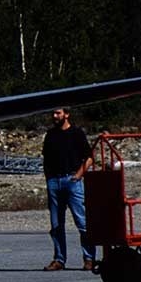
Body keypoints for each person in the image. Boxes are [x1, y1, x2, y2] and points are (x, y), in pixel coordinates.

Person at [42, 106, 94, 271]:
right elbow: (46, 158)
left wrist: (78, 175)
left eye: (58, 112)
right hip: (54, 181)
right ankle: (59, 259)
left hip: (72, 180)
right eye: (53, 113)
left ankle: (89, 258)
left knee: (82, 221)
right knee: (56, 224)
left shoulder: (77, 133)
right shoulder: (50, 135)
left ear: (66, 114)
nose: (54, 116)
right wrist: (49, 178)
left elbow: (89, 158)